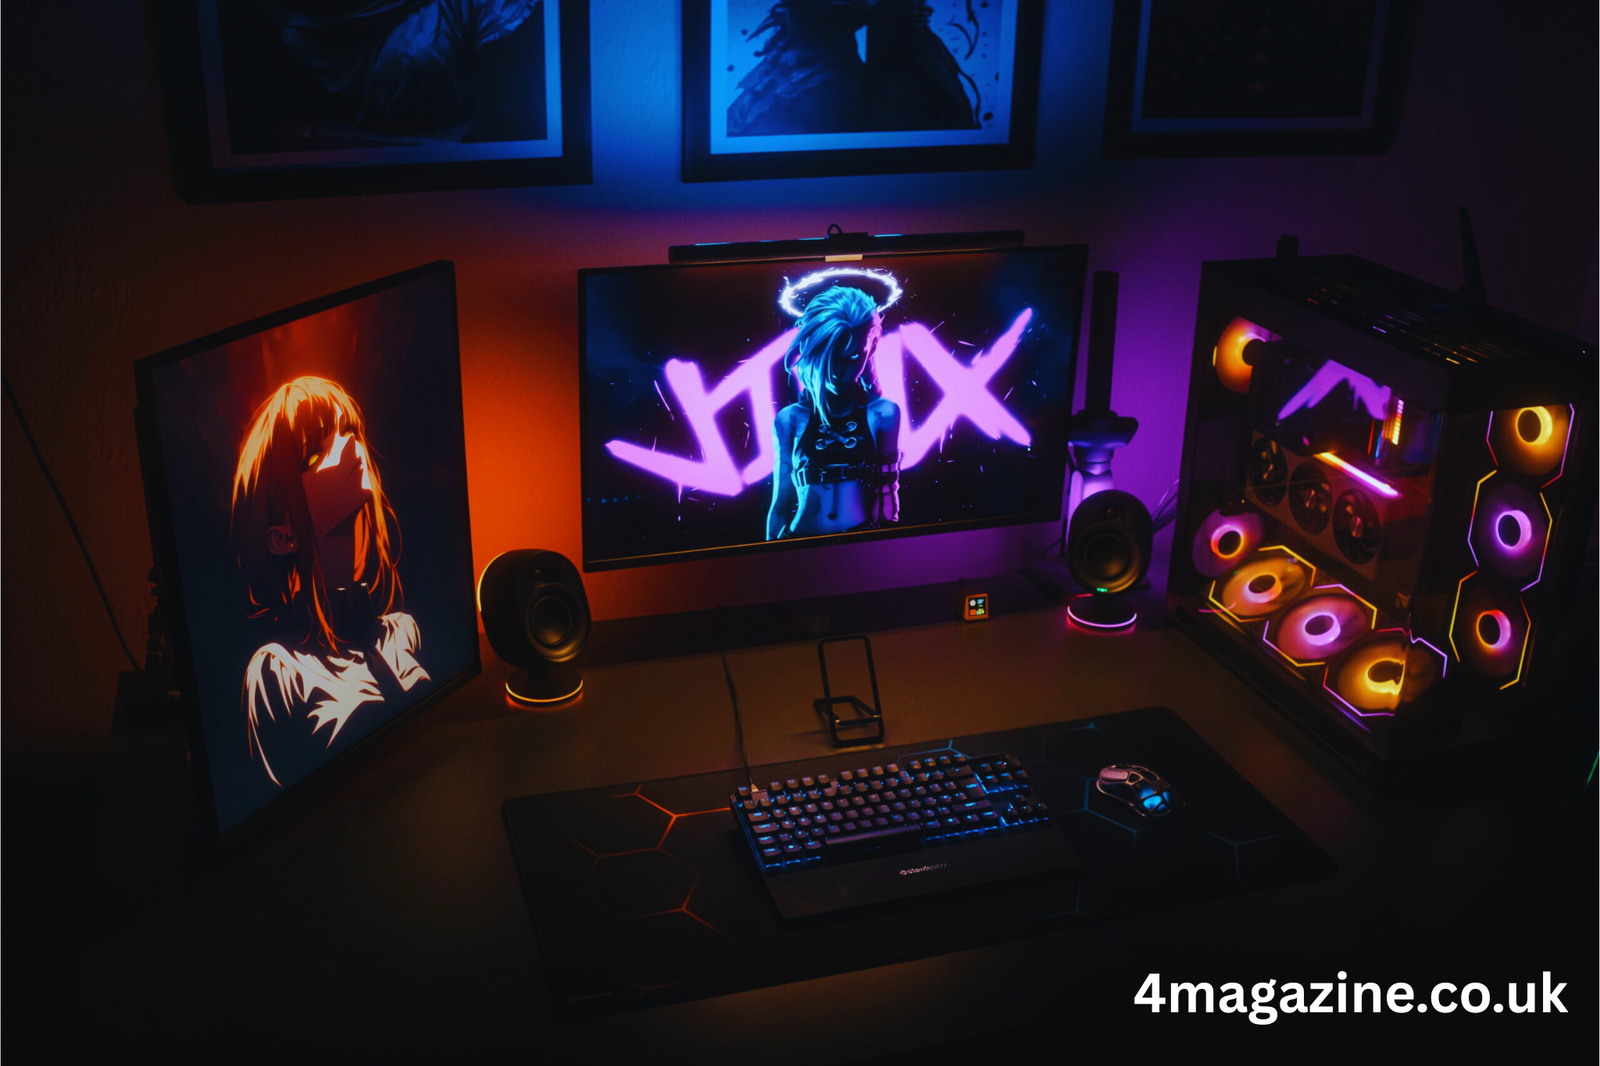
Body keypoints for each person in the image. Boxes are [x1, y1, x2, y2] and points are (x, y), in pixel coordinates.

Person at [230, 376, 428, 788]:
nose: (349, 445)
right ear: (281, 537)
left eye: (349, 429)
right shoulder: (277, 673)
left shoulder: (401, 632)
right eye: (315, 454)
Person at [767, 287, 902, 540]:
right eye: (831, 358)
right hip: (799, 544)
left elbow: (887, 494)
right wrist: (769, 556)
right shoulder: (790, 419)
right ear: (814, 351)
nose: (840, 371)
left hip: (863, 544)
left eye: (853, 357)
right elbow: (781, 503)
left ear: (871, 347)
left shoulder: (884, 414)